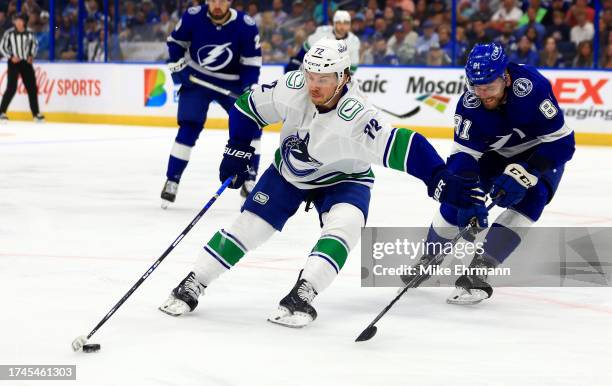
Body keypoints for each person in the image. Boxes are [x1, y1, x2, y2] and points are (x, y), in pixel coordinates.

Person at [158, 38, 485, 327]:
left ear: (343, 78)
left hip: (345, 178)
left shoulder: (356, 116)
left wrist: (439, 177)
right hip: (289, 173)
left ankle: (304, 292)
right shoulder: (292, 86)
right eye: (311, 76)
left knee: (346, 226)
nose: (314, 86)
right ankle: (193, 282)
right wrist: (239, 147)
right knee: (249, 227)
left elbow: (402, 145)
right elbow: (246, 109)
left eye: (324, 79)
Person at [401, 42, 575, 305]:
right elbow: (462, 158)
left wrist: (529, 170)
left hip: (539, 152)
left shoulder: (533, 88)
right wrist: (467, 198)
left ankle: (480, 269)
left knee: (533, 197)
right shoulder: (470, 104)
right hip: (494, 156)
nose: (483, 95)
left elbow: (563, 143)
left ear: (505, 76)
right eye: (477, 87)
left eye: (490, 87)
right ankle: (430, 255)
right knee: (459, 194)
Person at [161, 0, 262, 208]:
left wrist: (248, 88)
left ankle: (250, 179)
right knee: (189, 127)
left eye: (222, 0)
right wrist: (179, 69)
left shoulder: (246, 25)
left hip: (232, 81)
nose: (218, 4)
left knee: (252, 127)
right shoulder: (192, 16)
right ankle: (172, 180)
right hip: (197, 77)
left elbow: (252, 63)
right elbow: (175, 43)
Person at [284, 10, 360, 74]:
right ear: (334, 23)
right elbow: (303, 52)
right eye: (339, 23)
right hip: (313, 71)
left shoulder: (354, 41)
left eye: (346, 23)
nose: (342, 27)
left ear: (349, 25)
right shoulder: (322, 32)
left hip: (336, 76)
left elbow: (352, 68)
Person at [0, 13, 44, 122]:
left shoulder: (30, 33)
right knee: (11, 88)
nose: (18, 22)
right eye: (16, 20)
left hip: (26, 62)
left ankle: (36, 114)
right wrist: (10, 56)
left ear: (24, 22)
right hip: (13, 63)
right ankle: (1, 111)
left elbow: (35, 45)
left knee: (32, 88)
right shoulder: (9, 33)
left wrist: (31, 55)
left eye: (20, 20)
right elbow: (2, 47)